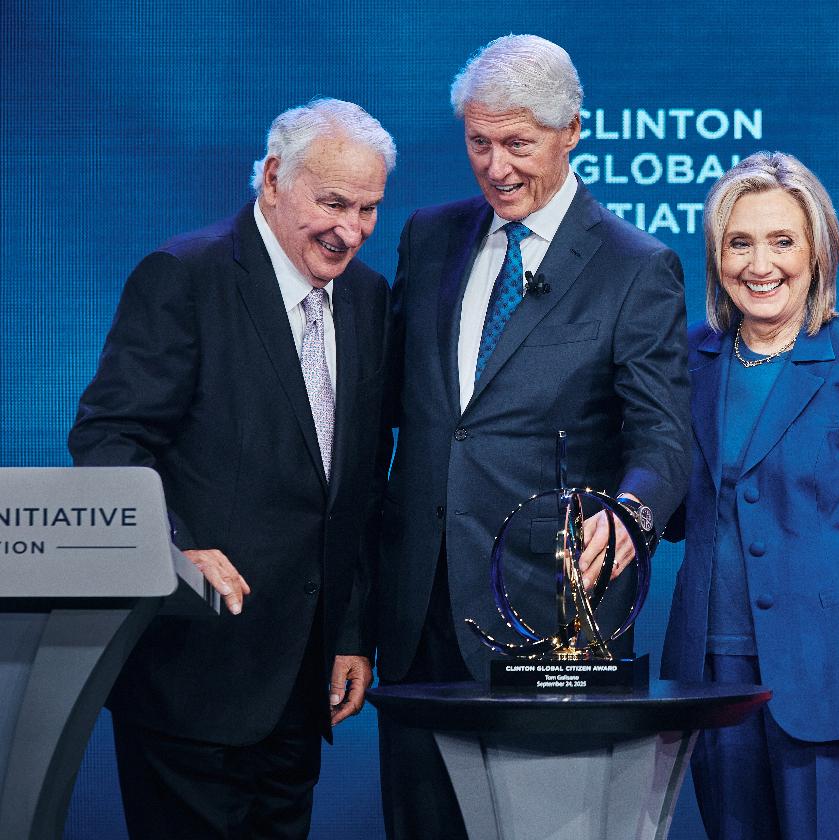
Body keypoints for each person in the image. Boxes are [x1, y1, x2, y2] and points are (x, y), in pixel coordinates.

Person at [378, 34, 690, 838]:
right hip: (418, 621)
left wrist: (630, 512)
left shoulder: (634, 266)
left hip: (546, 618)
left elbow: (662, 439)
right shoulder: (429, 238)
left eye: (518, 143)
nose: (496, 166)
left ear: (571, 131)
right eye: (479, 143)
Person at [68, 98, 396, 838]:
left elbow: (356, 488)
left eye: (370, 209)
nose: (351, 230)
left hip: (301, 681)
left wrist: (349, 632)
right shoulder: (184, 277)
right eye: (335, 202)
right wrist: (174, 547)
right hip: (195, 672)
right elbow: (109, 439)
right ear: (275, 178)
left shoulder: (370, 300)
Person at [659, 152, 839, 840]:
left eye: (783, 241)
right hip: (712, 681)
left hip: (835, 685)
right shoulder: (689, 360)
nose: (761, 264)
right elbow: (666, 510)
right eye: (740, 242)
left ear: (818, 253)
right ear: (717, 256)